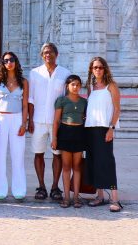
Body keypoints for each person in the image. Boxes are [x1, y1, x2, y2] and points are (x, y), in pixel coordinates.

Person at [28, 42, 71, 201]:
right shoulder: (34, 73)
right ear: (41, 55)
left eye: (51, 52)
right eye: (45, 52)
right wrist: (30, 120)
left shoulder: (65, 73)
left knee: (57, 154)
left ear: (56, 54)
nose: (48, 55)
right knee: (38, 153)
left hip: (57, 122)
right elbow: (31, 98)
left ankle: (55, 187)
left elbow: (67, 98)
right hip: (38, 119)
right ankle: (41, 186)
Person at [0, 52, 29, 201]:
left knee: (18, 154)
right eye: (6, 60)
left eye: (11, 60)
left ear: (16, 62)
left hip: (17, 118)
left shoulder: (23, 81)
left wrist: (24, 123)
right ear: (3, 64)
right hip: (0, 118)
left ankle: (19, 190)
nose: (9, 62)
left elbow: (25, 105)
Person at [85, 56, 123, 212]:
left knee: (107, 161)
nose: (98, 70)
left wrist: (111, 128)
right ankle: (99, 196)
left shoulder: (111, 86)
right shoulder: (91, 87)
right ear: (91, 70)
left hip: (104, 128)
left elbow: (117, 109)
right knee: (93, 161)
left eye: (100, 67)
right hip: (90, 128)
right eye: (95, 68)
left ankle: (115, 199)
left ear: (105, 69)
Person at [51, 74, 87, 208]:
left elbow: (85, 118)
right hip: (65, 133)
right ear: (67, 86)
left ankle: (76, 197)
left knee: (77, 167)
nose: (75, 87)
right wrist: (54, 138)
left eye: (78, 85)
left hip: (79, 134)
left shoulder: (84, 102)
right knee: (66, 167)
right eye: (73, 84)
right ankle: (66, 197)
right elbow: (56, 121)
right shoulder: (61, 100)